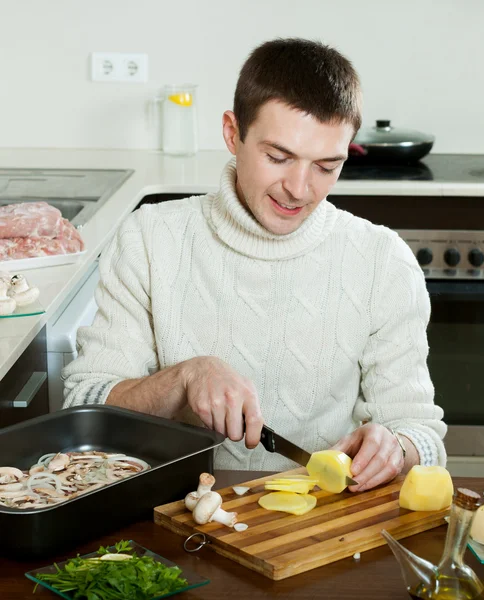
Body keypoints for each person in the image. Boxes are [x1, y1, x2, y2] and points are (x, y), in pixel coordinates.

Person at [63, 37, 446, 492]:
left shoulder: (382, 259)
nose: (299, 189)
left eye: (326, 166)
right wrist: (185, 378)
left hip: (317, 524)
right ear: (232, 133)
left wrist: (395, 447)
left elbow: (422, 433)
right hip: (175, 514)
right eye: (278, 157)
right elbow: (84, 405)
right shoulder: (149, 238)